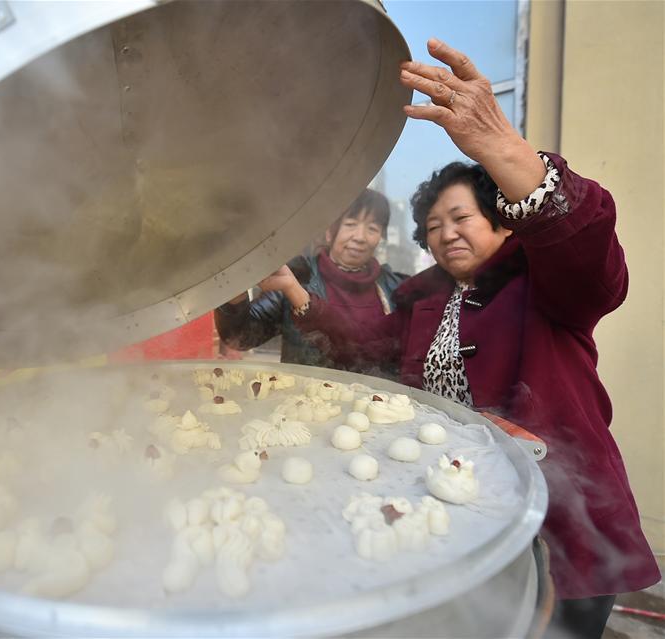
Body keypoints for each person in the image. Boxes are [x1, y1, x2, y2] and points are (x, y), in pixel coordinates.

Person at [287, 39, 659, 638]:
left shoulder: (545, 281)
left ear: (502, 220)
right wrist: (296, 294)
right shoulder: (424, 297)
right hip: (461, 518)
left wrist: (503, 150)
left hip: (566, 533)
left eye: (461, 218)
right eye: (434, 227)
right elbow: (366, 345)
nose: (446, 234)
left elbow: (595, 264)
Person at [215, 188, 407, 371]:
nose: (360, 237)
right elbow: (240, 336)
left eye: (372, 228)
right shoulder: (300, 276)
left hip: (374, 404)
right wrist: (234, 284)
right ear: (329, 232)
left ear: (381, 237)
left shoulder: (395, 289)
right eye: (350, 224)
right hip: (304, 402)